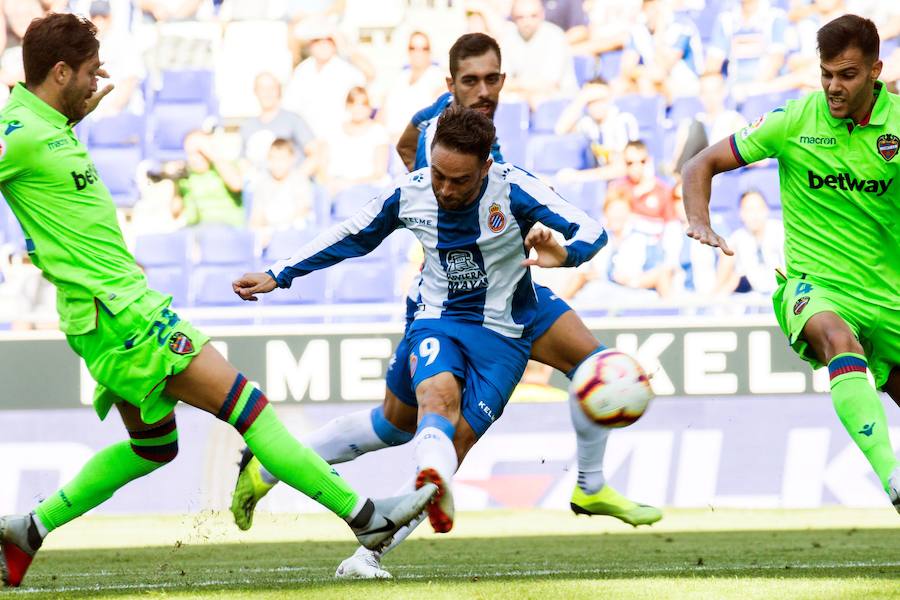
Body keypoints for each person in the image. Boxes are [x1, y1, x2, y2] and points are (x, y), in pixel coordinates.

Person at [0, 14, 437, 589]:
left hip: (112, 313)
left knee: (153, 448)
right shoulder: (19, 133)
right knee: (249, 410)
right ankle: (367, 519)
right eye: (88, 72)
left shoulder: (48, 125)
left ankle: (28, 529)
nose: (96, 81)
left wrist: (72, 118)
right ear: (59, 72)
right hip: (122, 314)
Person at [231, 33, 662, 581]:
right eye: (470, 81)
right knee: (405, 421)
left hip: (519, 304)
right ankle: (312, 488)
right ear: (451, 84)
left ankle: (589, 486)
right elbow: (357, 226)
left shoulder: (507, 179)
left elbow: (590, 230)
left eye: (491, 79)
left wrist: (562, 252)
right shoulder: (425, 163)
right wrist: (278, 273)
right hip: (443, 308)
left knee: (601, 371)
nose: (482, 91)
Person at [682, 14, 900, 514]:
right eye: (826, 73)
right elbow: (700, 163)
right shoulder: (794, 121)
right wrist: (700, 220)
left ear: (875, 71)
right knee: (836, 339)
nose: (833, 86)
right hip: (814, 287)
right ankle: (892, 477)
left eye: (847, 74)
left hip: (889, 295)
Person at [239, 72, 318, 176]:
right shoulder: (247, 126)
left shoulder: (293, 120)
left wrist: (295, 180)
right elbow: (243, 162)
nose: (267, 93)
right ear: (255, 92)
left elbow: (316, 154)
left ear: (279, 91)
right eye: (262, 88)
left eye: (271, 88)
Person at [715, 189, 785, 297]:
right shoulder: (737, 238)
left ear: (766, 210)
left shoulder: (780, 231)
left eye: (758, 208)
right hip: (751, 296)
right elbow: (729, 277)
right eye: (749, 209)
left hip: (782, 292)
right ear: (741, 213)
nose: (754, 215)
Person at [321, 86, 390, 195]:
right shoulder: (333, 130)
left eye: (363, 104)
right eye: (353, 103)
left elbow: (379, 173)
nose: (358, 108)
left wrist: (349, 184)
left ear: (370, 107)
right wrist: (329, 183)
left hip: (366, 188)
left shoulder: (378, 132)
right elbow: (322, 165)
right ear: (347, 106)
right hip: (333, 185)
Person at [170, 130, 245, 229]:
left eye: (200, 152)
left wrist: (213, 155)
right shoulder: (186, 176)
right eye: (190, 153)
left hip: (226, 230)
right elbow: (175, 213)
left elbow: (237, 184)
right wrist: (174, 182)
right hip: (196, 231)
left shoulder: (224, 167)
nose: (195, 157)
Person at [248, 138, 314, 248]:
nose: (277, 164)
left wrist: (278, 231)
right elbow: (256, 216)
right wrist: (258, 233)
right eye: (273, 159)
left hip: (294, 234)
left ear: (292, 159)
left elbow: (302, 211)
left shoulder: (299, 180)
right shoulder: (262, 183)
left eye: (282, 159)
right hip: (269, 233)